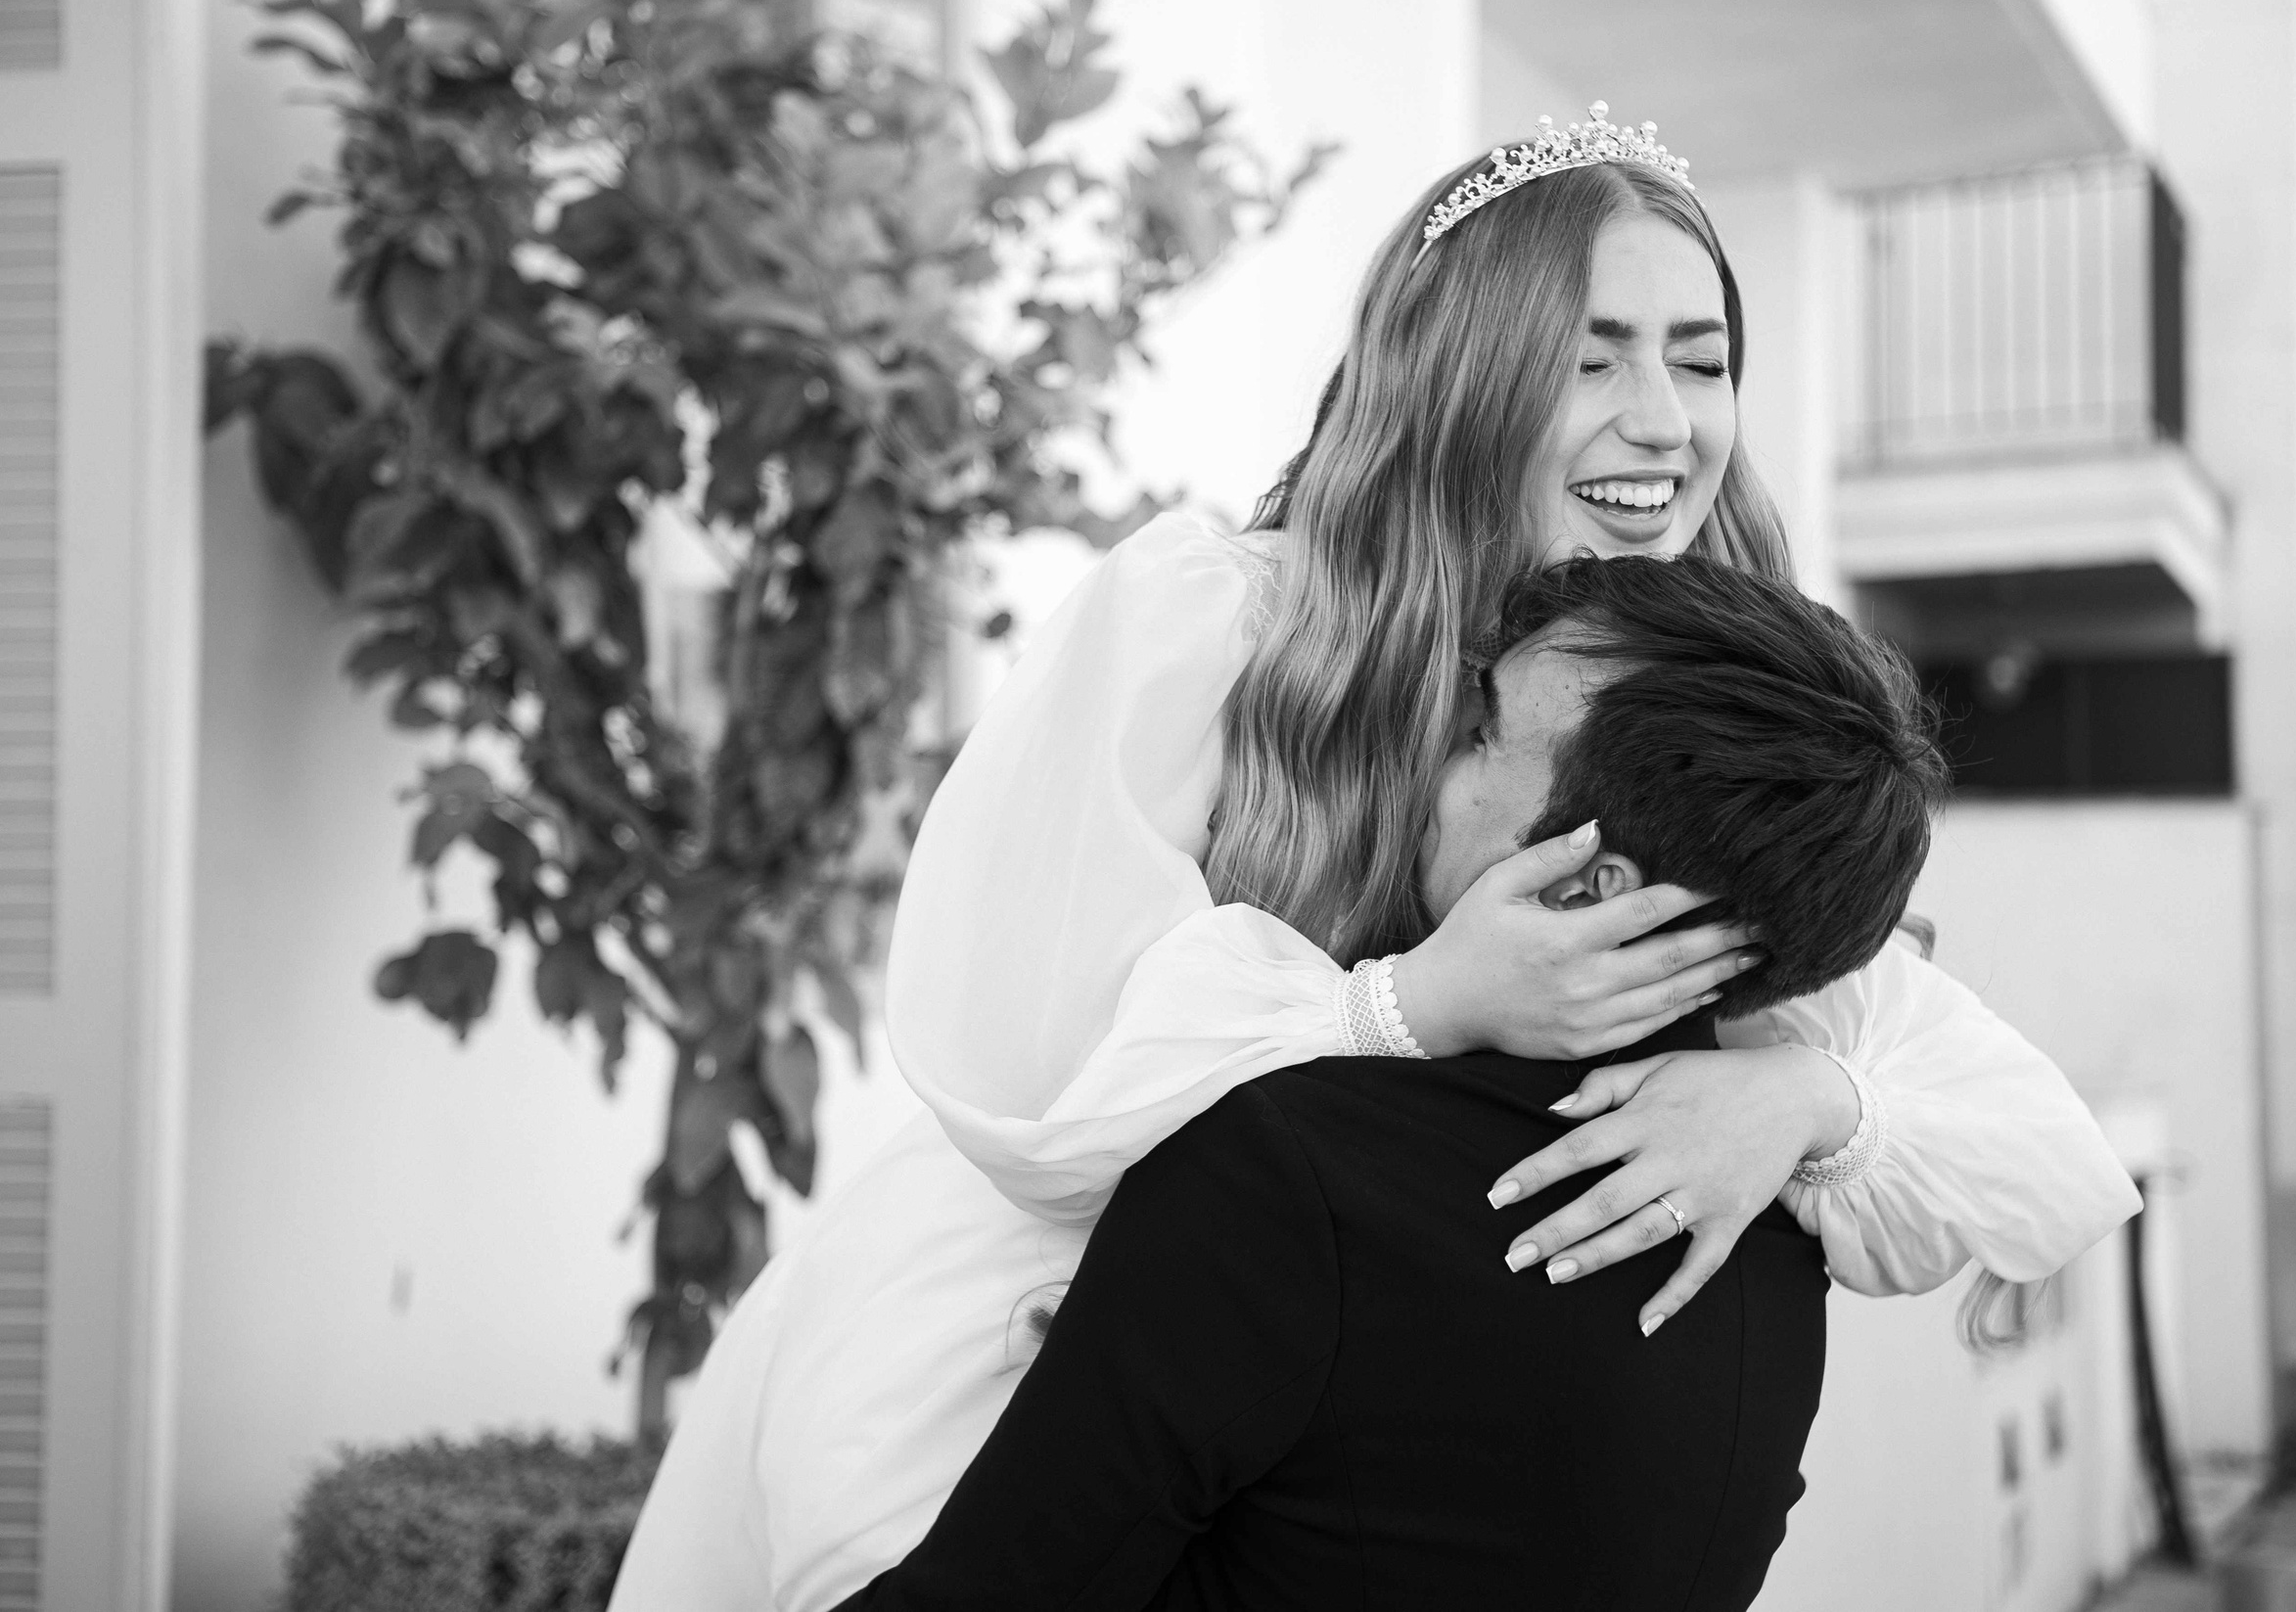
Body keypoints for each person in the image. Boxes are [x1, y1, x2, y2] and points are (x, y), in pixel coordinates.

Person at [610, 107, 2141, 1612]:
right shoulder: (1226, 625)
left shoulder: (1684, 702)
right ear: (1463, 373)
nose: (1664, 418)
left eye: (1701, 359)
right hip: (1019, 1363)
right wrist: (1408, 1003)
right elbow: (1025, 1075)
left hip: (1358, 1444)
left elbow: (2039, 1155)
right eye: (1594, 355)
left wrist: (1807, 1099)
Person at [831, 550, 1955, 1612]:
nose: (1428, 758)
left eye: (1480, 733)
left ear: (1589, 887)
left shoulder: (1290, 1175)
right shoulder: (1778, 1246)